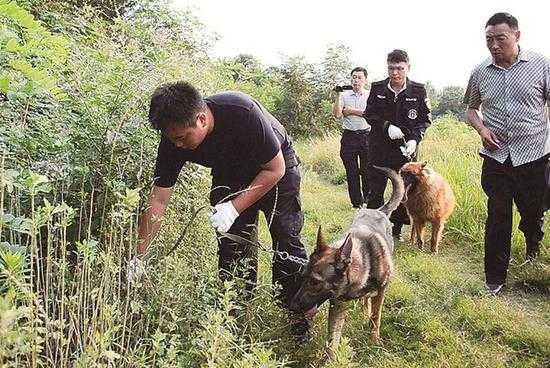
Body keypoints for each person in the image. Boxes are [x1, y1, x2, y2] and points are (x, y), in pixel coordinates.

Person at [131, 81, 309, 335]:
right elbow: (158, 200)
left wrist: (234, 208)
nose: (178, 145)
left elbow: (275, 169)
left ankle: (296, 318)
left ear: (201, 119)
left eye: (181, 138)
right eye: (172, 139)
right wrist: (140, 256)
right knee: (232, 245)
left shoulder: (241, 112)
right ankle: (236, 317)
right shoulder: (173, 140)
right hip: (230, 171)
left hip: (276, 165)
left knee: (285, 236)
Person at [464, 12, 550, 295]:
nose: (494, 45)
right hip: (496, 157)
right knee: (498, 215)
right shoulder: (480, 72)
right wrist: (482, 130)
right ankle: (495, 279)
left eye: (500, 38)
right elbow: (470, 110)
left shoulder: (541, 65)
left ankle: (533, 247)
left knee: (533, 212)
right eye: (489, 39)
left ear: (517, 36)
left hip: (534, 156)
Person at [363, 49, 432, 239]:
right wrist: (386, 127)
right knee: (375, 189)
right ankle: (372, 229)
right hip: (379, 148)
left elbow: (425, 120)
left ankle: (396, 231)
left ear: (408, 67)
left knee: (402, 191)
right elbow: (369, 114)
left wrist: (415, 139)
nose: (395, 73)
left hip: (405, 151)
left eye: (400, 68)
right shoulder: (378, 88)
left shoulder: (418, 90)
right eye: (391, 68)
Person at [333, 67, 371, 208]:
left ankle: (368, 201)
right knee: (352, 172)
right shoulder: (344, 95)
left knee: (367, 170)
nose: (356, 80)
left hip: (366, 136)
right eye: (354, 77)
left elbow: (371, 114)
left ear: (365, 80)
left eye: (359, 77)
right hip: (349, 136)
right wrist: (337, 95)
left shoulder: (369, 95)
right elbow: (338, 114)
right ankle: (357, 204)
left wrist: (350, 111)